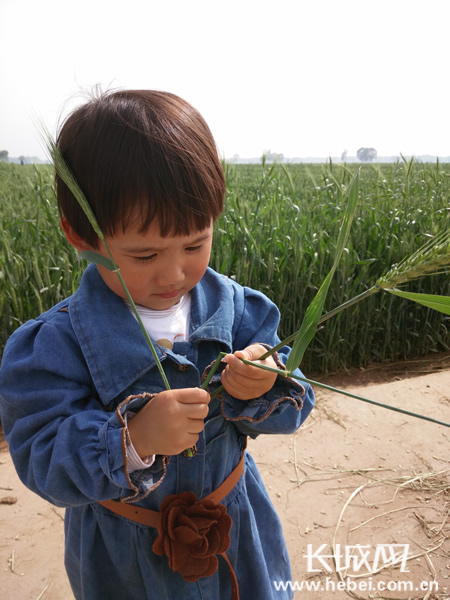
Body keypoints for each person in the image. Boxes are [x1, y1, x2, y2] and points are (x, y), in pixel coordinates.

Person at [0, 89, 315, 600]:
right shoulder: (55, 345)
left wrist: (265, 381)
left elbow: (296, 405)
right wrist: (134, 439)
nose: (174, 273)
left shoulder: (239, 310)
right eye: (143, 254)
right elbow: (41, 459)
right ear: (79, 235)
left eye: (195, 244)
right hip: (125, 561)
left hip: (235, 534)